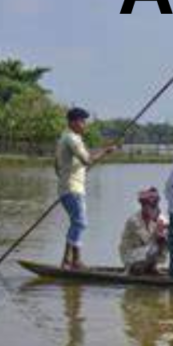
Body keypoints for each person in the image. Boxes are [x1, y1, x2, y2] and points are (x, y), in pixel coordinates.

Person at [55, 107, 116, 269]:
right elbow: (88, 160)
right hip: (72, 188)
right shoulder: (72, 139)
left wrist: (67, 176)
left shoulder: (63, 137)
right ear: (73, 122)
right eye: (82, 122)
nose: (84, 125)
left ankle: (73, 261)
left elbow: (57, 166)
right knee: (80, 222)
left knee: (77, 222)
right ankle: (68, 261)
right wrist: (105, 151)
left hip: (68, 187)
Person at [118, 187, 168, 274]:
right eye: (149, 205)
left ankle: (153, 266)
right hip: (131, 256)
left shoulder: (162, 219)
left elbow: (163, 241)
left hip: (147, 255)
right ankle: (134, 268)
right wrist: (157, 234)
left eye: (155, 206)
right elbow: (146, 241)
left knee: (166, 240)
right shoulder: (134, 221)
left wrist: (164, 234)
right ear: (143, 206)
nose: (153, 209)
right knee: (155, 246)